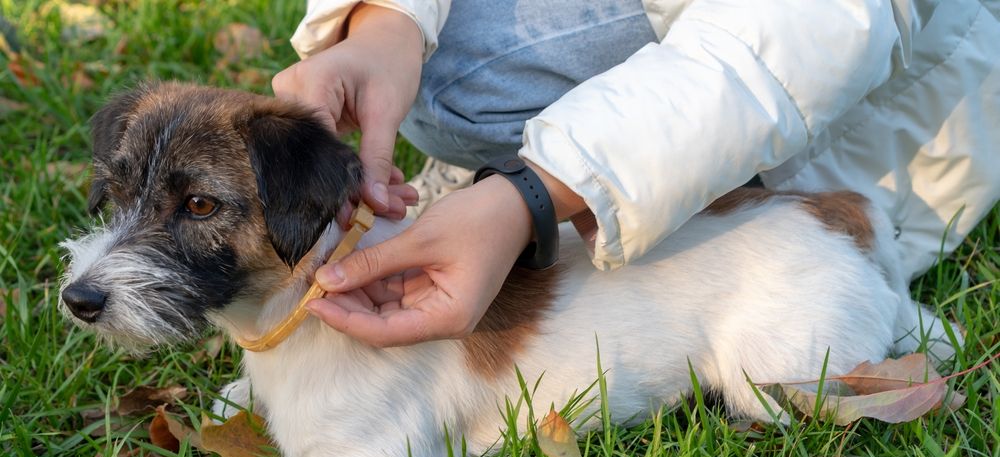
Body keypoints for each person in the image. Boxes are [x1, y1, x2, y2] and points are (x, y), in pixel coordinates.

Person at [273, 0, 1000, 348]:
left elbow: (819, 22)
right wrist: (386, 23)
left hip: (872, 93)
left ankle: (577, 184)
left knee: (455, 82)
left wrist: (532, 194)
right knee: (434, 57)